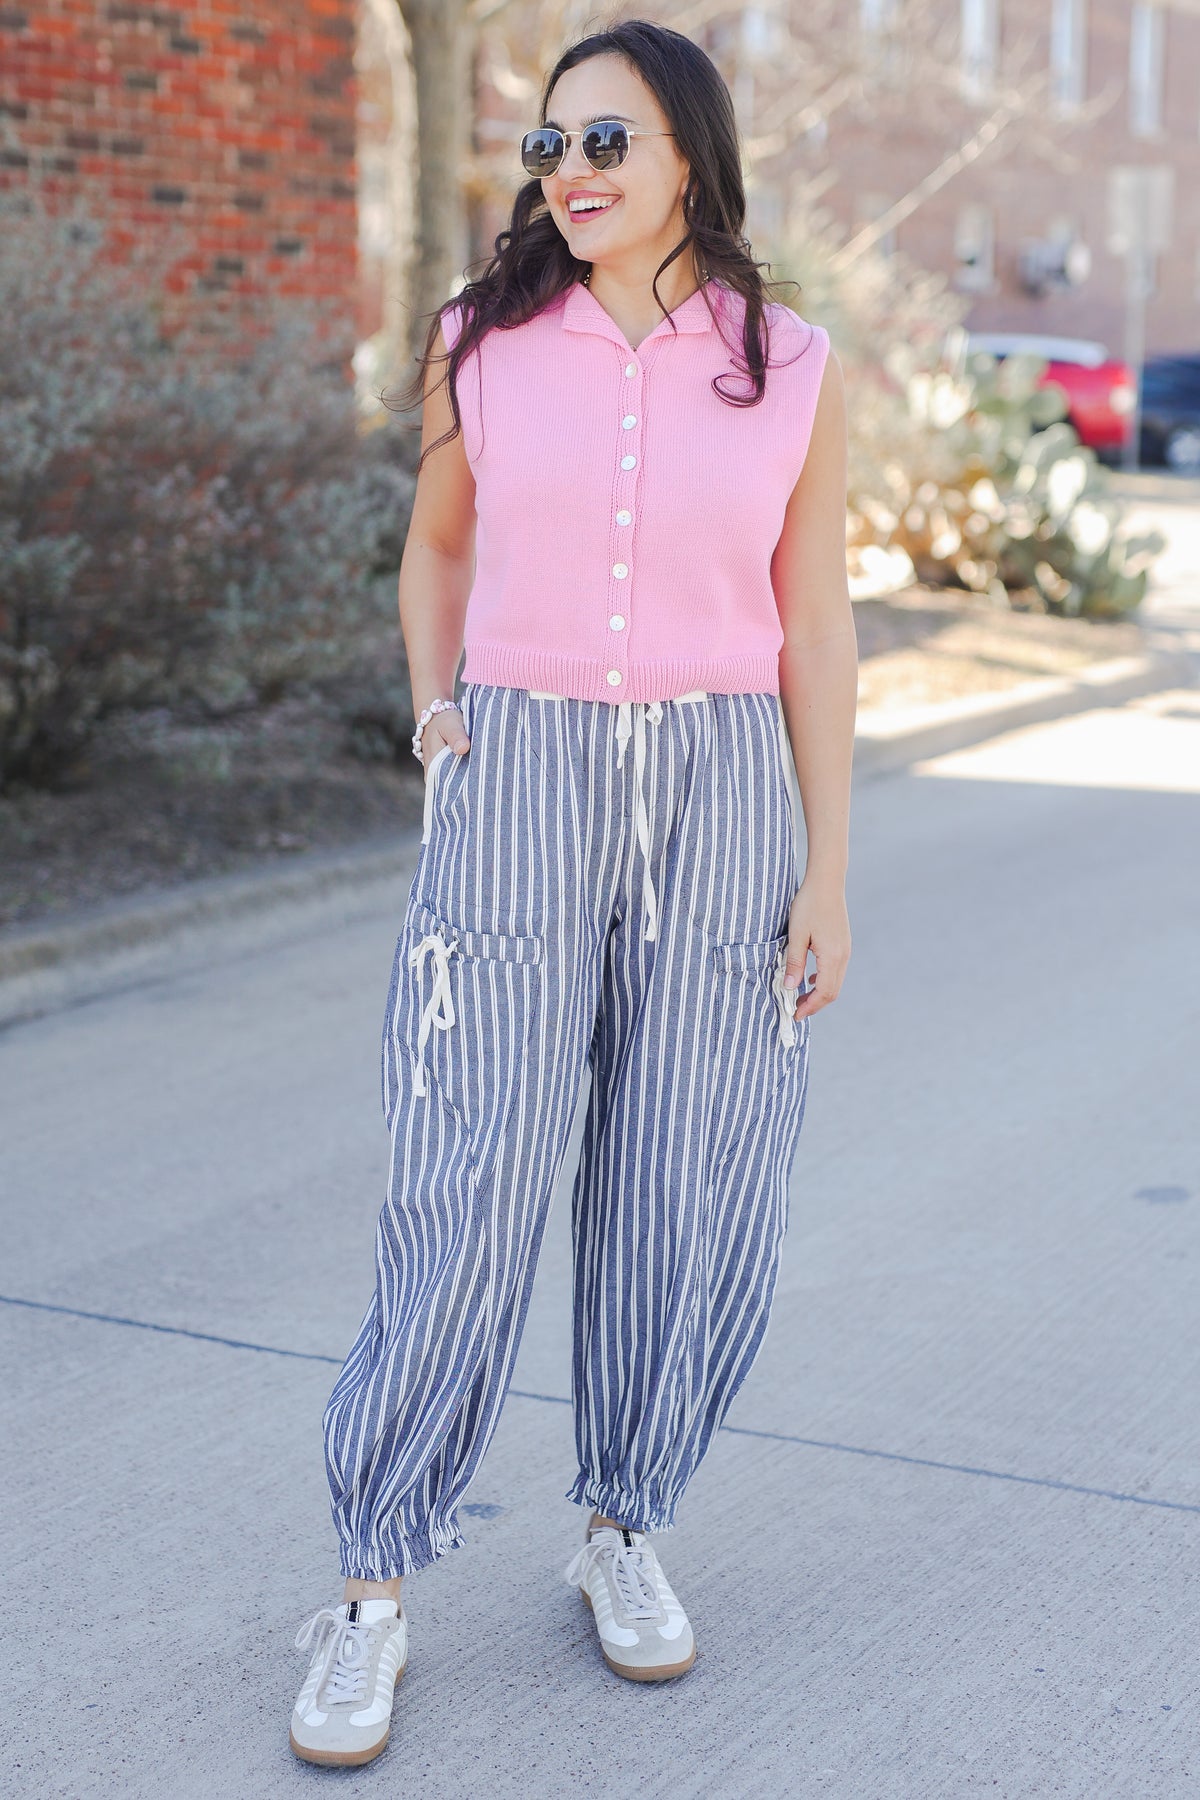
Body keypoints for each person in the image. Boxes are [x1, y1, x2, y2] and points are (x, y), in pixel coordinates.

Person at [289, 17, 855, 1768]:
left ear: (689, 150)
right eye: (549, 149)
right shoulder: (487, 338)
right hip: (520, 777)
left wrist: (829, 862)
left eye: (605, 143)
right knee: (466, 1179)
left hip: (719, 794)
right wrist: (441, 709)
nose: (573, 177)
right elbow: (438, 545)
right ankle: (372, 1590)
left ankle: (623, 1523)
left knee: (686, 1181)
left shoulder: (790, 356)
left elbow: (814, 617)